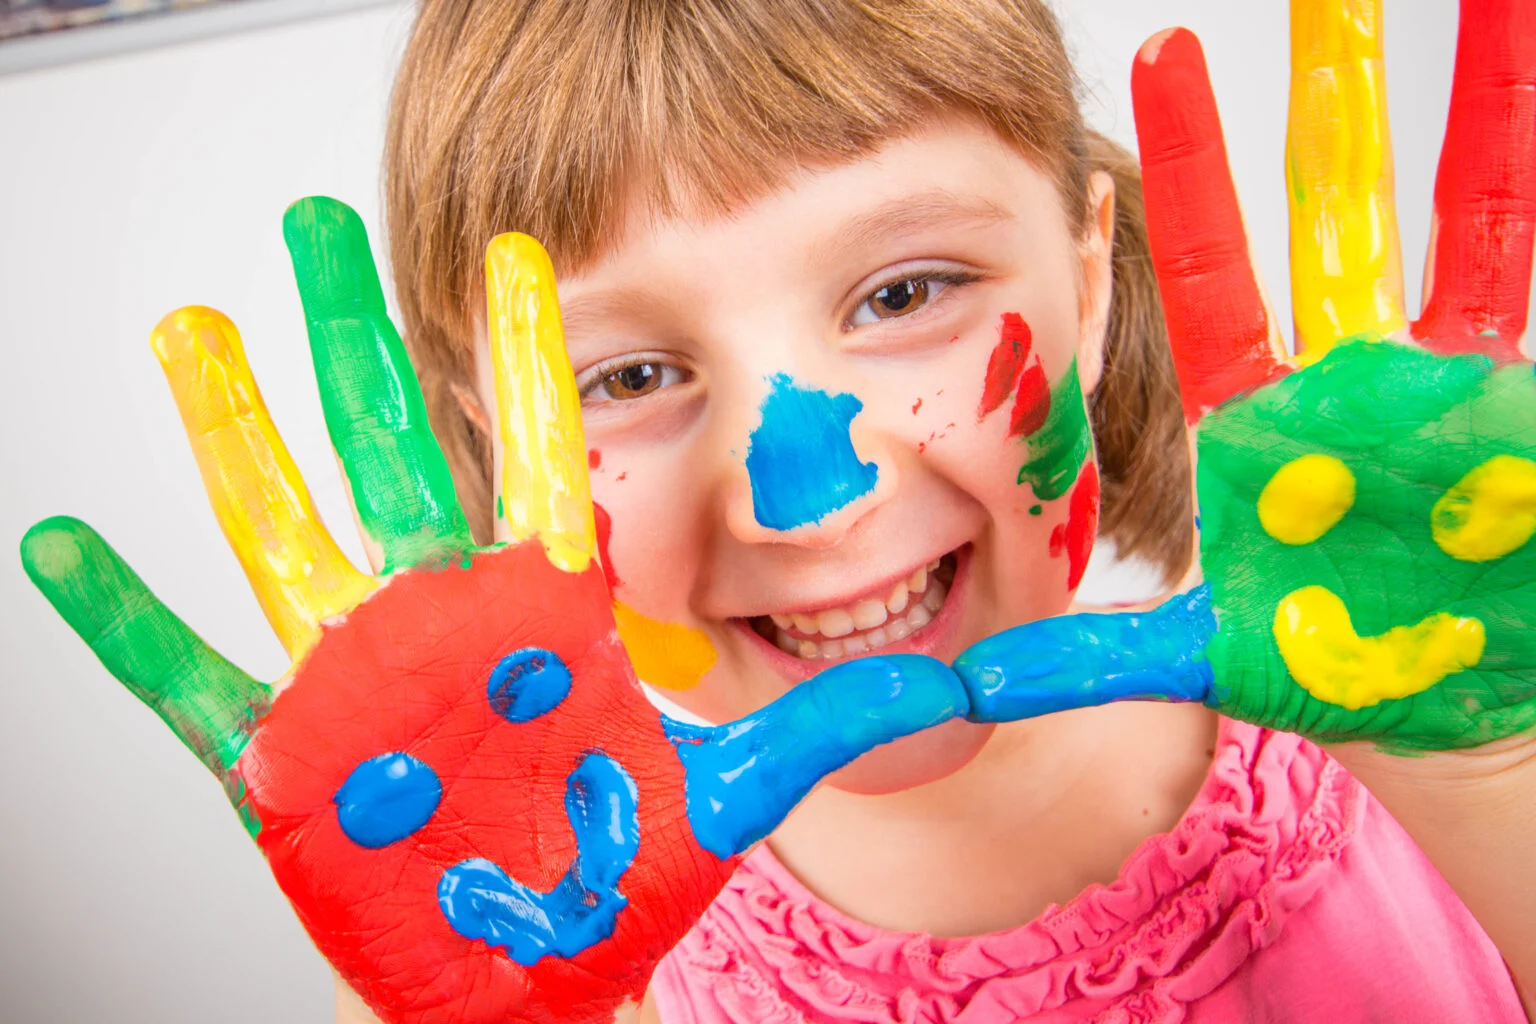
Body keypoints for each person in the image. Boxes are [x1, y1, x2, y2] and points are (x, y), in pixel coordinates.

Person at [20, 0, 1536, 1021]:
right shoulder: (576, 923)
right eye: (624, 374)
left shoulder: (1418, 730)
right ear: (489, 434)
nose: (805, 503)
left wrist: (1495, 779)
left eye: (904, 290)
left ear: (1087, 275)